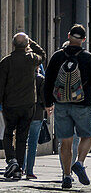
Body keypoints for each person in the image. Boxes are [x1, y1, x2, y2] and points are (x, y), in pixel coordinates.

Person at [44, 24, 91, 190]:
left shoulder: (57, 57)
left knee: (66, 142)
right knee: (86, 136)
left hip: (61, 104)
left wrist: (48, 103)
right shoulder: (87, 57)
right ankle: (80, 162)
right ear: (83, 40)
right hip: (82, 105)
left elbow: (48, 81)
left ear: (69, 36)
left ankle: (67, 175)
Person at [0, 31, 46, 181]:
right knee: (22, 137)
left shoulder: (6, 62)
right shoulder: (32, 59)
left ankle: (11, 160)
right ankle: (19, 169)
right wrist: (31, 43)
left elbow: (1, 85)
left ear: (13, 45)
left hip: (10, 104)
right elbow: (42, 55)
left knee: (8, 133)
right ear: (26, 45)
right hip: (28, 104)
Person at [23, 69, 46, 180]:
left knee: (22, 141)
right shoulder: (40, 78)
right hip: (37, 113)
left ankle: (20, 168)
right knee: (32, 144)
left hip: (22, 113)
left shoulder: (21, 78)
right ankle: (29, 170)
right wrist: (47, 107)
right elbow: (43, 96)